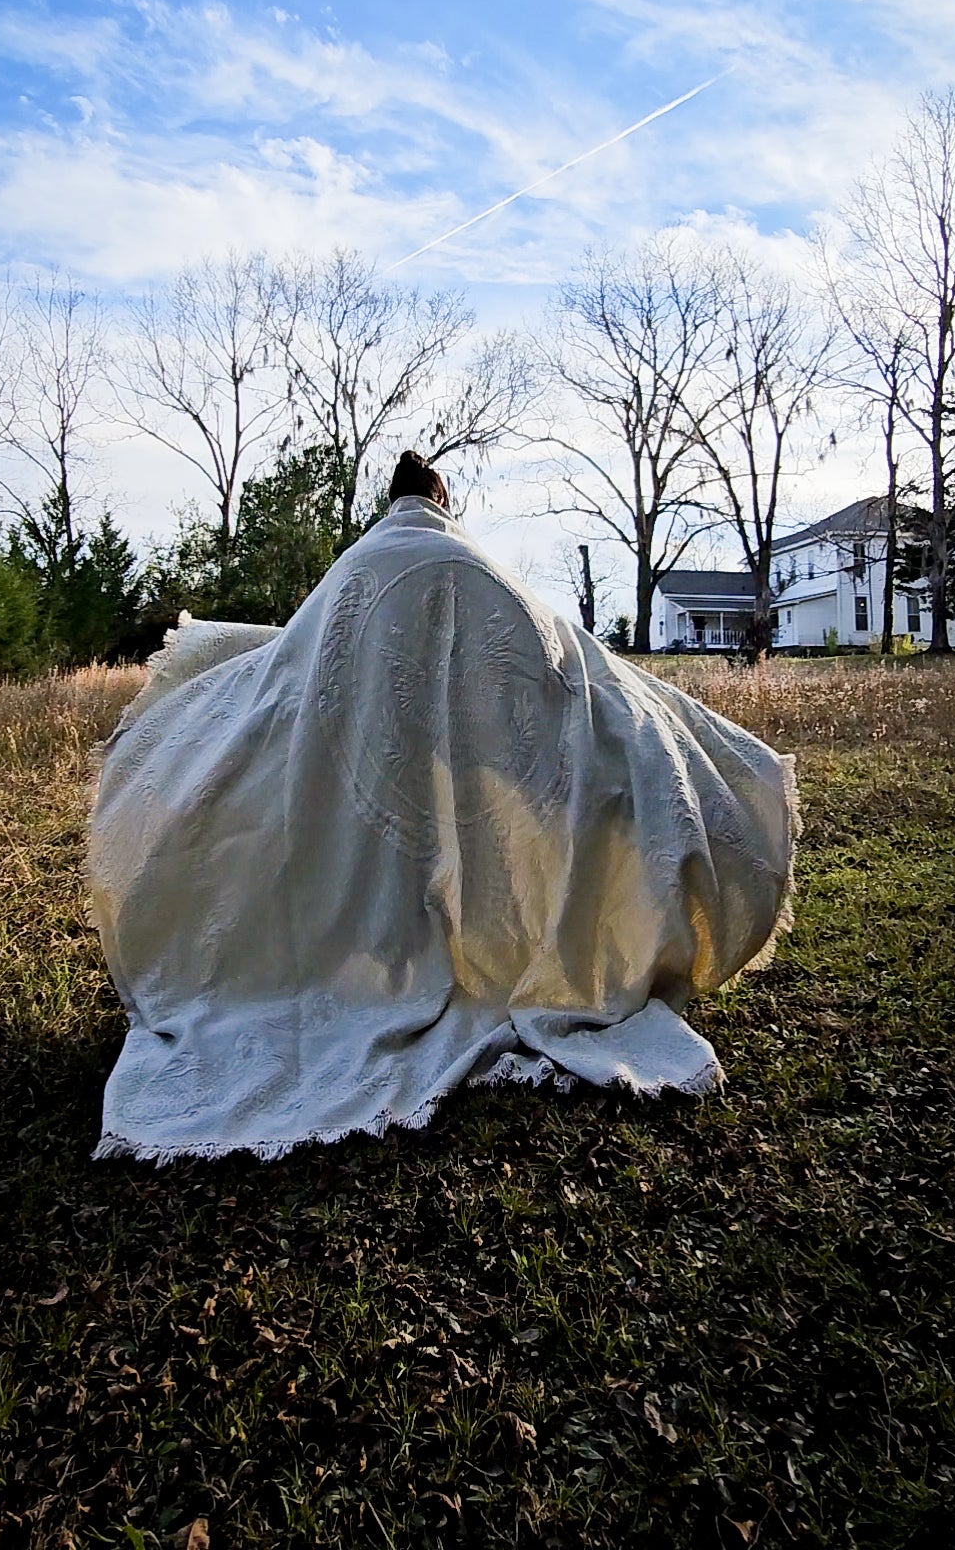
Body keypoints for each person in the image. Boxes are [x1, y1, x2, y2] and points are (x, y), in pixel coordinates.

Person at [89, 454, 797, 1162]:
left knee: (380, 869)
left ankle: (383, 968)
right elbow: (551, 649)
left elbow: (300, 661)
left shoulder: (358, 564)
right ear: (441, 498)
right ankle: (489, 956)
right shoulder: (462, 554)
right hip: (469, 750)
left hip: (374, 756)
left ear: (391, 501)